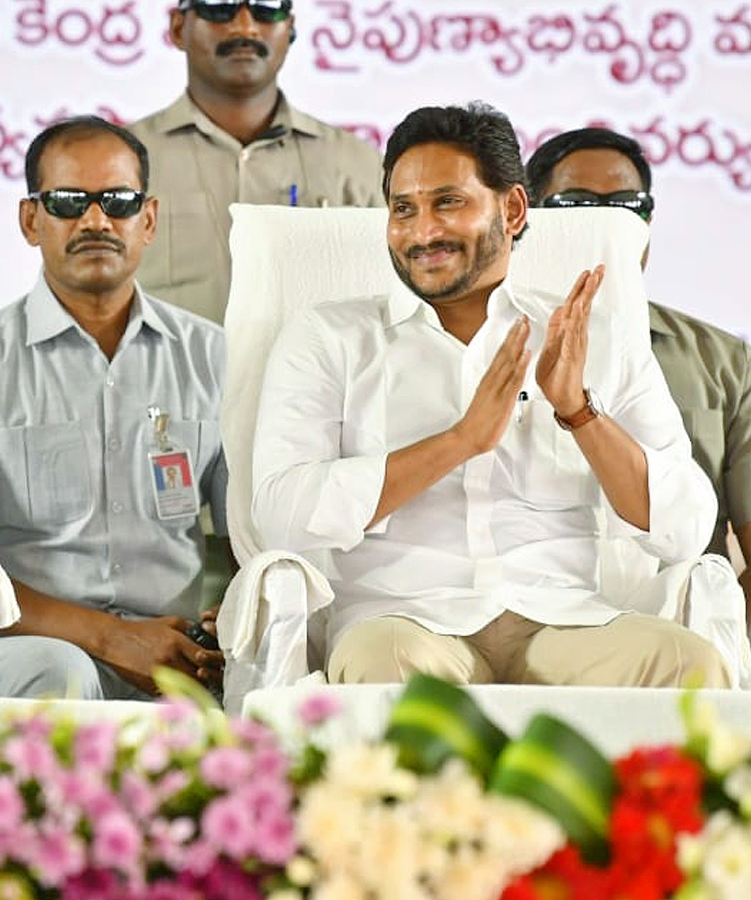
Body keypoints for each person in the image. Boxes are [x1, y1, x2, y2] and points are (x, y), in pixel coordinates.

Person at [252, 102, 730, 688]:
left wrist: (578, 412)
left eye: (447, 203)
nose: (423, 232)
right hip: (406, 623)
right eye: (404, 209)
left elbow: (686, 526)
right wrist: (459, 442)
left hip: (564, 620)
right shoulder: (331, 338)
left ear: (512, 208)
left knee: (692, 666)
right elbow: (281, 513)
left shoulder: (592, 337)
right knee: (385, 667)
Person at [0, 116, 227, 699]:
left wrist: (225, 623)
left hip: (178, 647)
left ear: (149, 220)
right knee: (61, 671)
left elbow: (256, 533)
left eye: (118, 201)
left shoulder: (212, 356)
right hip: (34, 645)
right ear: (31, 220)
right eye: (68, 202)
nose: (96, 221)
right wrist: (112, 638)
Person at [525, 127, 751, 617]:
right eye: (578, 206)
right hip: (528, 616)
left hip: (681, 626)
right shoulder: (488, 345)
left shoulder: (725, 362)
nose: (611, 225)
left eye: (630, 206)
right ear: (529, 217)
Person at [126, 0, 383, 324]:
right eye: (220, 7)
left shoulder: (356, 163)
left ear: (289, 29)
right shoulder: (122, 161)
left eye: (266, 8)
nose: (245, 26)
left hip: (314, 374)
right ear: (179, 28)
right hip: (164, 375)